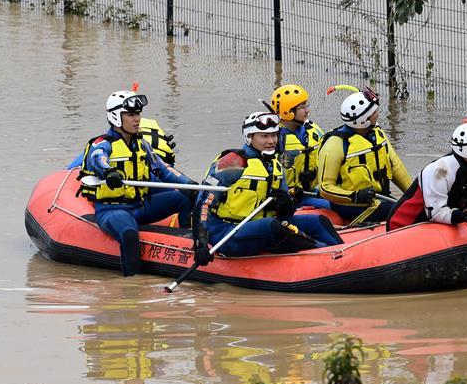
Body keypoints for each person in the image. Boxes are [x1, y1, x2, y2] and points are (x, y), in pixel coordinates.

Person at [78, 90, 199, 277]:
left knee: (185, 198)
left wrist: (189, 185)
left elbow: (163, 171)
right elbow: (97, 159)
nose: (137, 119)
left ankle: (183, 242)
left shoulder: (141, 145)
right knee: (129, 234)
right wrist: (109, 172)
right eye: (131, 114)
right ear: (117, 117)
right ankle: (132, 284)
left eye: (138, 114)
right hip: (112, 210)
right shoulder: (102, 143)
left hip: (140, 206)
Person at [196, 111, 343, 259]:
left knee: (317, 221)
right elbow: (203, 204)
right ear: (249, 137)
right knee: (271, 225)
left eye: (274, 135)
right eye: (264, 136)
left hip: (260, 226)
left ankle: (342, 251)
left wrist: (287, 203)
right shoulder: (232, 163)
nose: (271, 141)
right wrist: (200, 242)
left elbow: (286, 214)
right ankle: (325, 253)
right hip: (227, 232)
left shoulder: (275, 165)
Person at [386, 120, 467, 231]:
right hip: (403, 226)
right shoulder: (440, 170)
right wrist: (465, 216)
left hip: (440, 223)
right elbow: (436, 213)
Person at [316, 86, 412, 223]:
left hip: (380, 198)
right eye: (374, 112)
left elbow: (395, 166)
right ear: (363, 120)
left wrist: (413, 195)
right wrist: (354, 196)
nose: (378, 113)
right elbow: (325, 187)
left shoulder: (377, 134)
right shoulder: (335, 144)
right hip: (351, 204)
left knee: (409, 209)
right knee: (401, 213)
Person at [269, 84, 330, 210]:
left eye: (306, 105)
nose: (307, 110)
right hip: (290, 197)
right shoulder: (273, 139)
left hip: (313, 190)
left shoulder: (312, 130)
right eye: (303, 107)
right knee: (331, 207)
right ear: (288, 112)